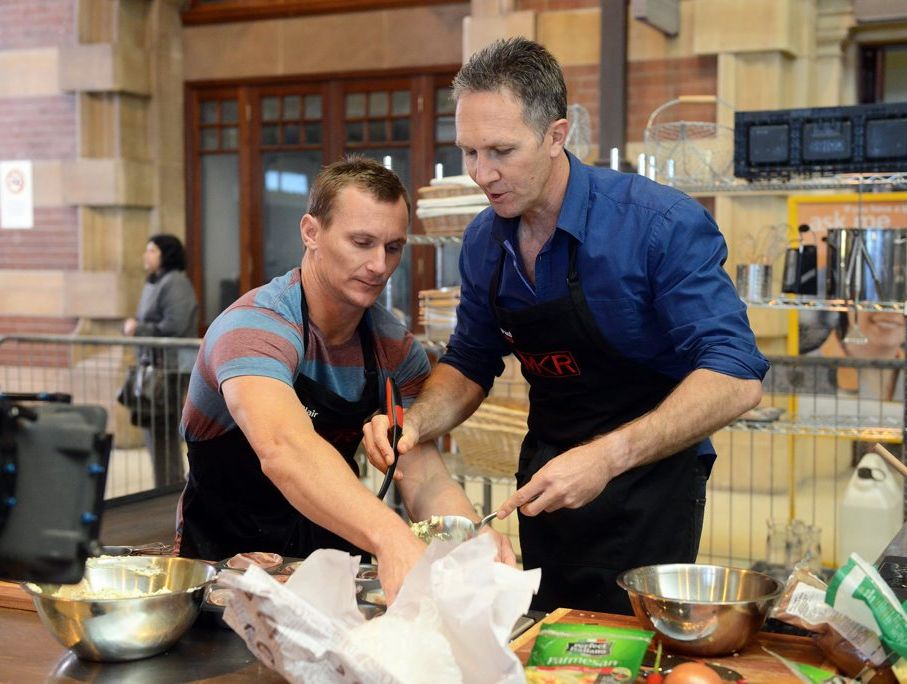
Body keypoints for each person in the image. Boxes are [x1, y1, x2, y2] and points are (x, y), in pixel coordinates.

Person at [363, 37, 767, 614]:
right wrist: (416, 423)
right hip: (548, 474)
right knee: (552, 634)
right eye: (470, 152)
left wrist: (606, 457)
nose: (482, 173)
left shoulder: (659, 225)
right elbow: (471, 359)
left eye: (502, 150)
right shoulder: (485, 239)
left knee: (630, 645)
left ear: (557, 135)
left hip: (648, 481)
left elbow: (737, 374)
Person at [176, 157, 514, 603]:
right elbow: (284, 448)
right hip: (225, 574)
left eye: (393, 247)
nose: (379, 265)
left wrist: (467, 540)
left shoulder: (394, 349)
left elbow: (424, 474)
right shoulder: (254, 328)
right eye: (361, 242)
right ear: (311, 232)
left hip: (332, 570)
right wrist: (391, 536)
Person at [123, 234, 198, 488]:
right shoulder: (154, 282)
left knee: (163, 431)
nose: (146, 256)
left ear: (166, 254)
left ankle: (170, 488)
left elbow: (174, 325)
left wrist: (138, 328)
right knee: (153, 429)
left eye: (152, 251)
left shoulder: (175, 282)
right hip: (153, 367)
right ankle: (164, 486)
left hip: (170, 368)